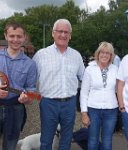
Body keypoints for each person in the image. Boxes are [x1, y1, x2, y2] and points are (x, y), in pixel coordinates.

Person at [0, 22, 38, 150]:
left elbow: (31, 91)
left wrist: (27, 98)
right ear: (6, 36)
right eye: (12, 36)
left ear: (24, 37)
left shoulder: (30, 64)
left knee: (10, 147)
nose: (15, 40)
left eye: (19, 36)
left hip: (15, 109)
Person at [32, 18, 85, 150]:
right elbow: (31, 79)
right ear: (53, 33)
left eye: (66, 32)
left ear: (70, 35)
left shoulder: (76, 56)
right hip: (48, 103)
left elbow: (84, 78)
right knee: (46, 140)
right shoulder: (41, 55)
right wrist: (32, 96)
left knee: (66, 140)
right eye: (59, 31)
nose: (63, 35)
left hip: (69, 103)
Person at [80, 41, 118, 150]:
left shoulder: (115, 69)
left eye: (108, 53)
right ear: (98, 53)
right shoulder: (89, 69)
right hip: (93, 110)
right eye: (102, 52)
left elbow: (119, 89)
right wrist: (84, 113)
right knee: (92, 140)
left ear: (111, 56)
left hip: (111, 110)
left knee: (107, 141)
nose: (104, 55)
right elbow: (84, 93)